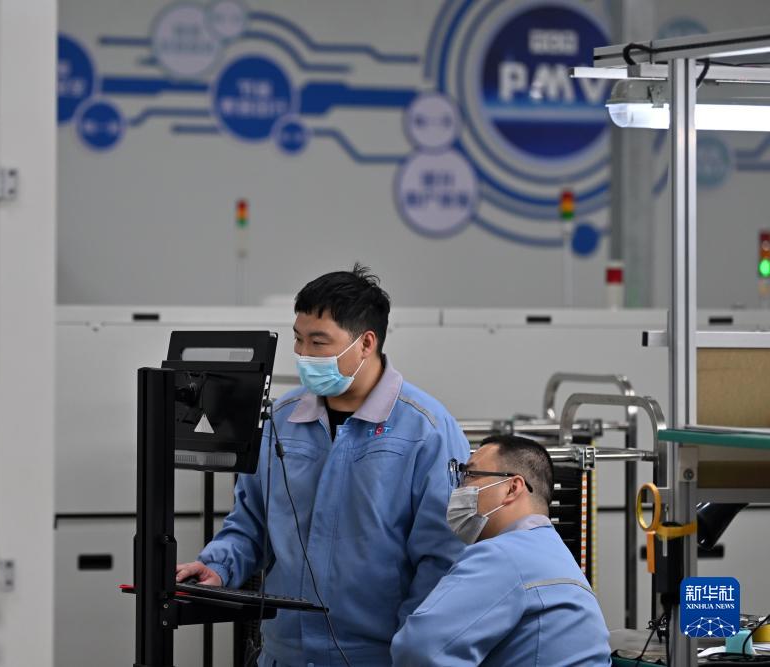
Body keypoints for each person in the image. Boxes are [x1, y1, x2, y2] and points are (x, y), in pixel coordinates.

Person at [176, 264, 470, 666]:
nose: (303, 354)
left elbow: (442, 558)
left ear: (366, 343)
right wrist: (218, 567)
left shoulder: (427, 431)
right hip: (285, 653)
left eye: (319, 342)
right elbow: (251, 524)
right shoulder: (281, 420)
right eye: (298, 339)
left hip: (377, 657)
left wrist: (412, 651)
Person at [391, 435, 612, 666]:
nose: (459, 488)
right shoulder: (554, 553)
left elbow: (420, 648)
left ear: (512, 488)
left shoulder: (504, 555)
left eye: (470, 475)